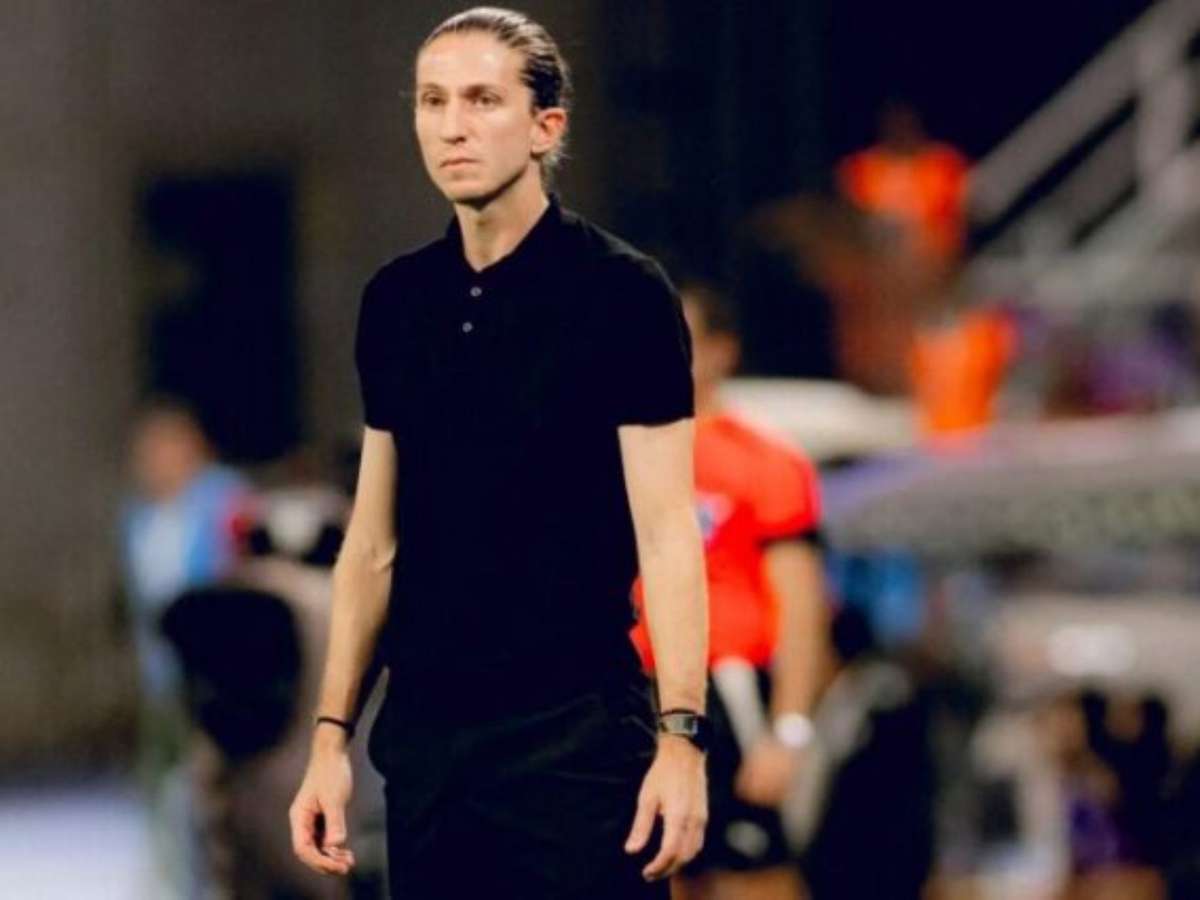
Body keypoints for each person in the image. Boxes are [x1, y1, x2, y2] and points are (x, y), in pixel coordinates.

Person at [288, 8, 710, 899]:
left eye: (483, 100)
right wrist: (328, 740)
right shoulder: (398, 301)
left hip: (577, 744)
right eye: (433, 100)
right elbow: (373, 544)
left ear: (545, 126)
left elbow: (669, 534)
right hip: (430, 751)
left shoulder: (622, 294)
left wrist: (682, 740)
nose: (453, 126)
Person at [631, 283, 826, 899]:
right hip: (632, 688)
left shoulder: (764, 460)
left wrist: (789, 729)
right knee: (653, 868)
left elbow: (802, 605)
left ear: (721, 350)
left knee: (753, 875)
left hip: (727, 689)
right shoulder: (615, 453)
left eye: (679, 337)